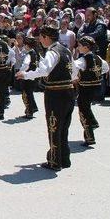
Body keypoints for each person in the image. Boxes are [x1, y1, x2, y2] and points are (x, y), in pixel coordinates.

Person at [17, 26, 76, 171]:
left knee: (54, 126)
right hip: (68, 91)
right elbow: (74, 71)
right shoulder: (66, 50)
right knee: (64, 127)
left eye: (41, 38)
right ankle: (64, 159)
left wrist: (25, 75)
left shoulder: (52, 51)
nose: (40, 41)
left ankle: (55, 161)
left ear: (46, 37)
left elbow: (44, 70)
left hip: (55, 93)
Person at [73, 36, 108, 147]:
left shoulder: (83, 60)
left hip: (85, 88)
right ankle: (93, 123)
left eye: (80, 46)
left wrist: (75, 77)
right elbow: (106, 68)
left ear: (86, 47)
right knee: (86, 107)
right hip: (95, 87)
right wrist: (95, 76)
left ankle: (89, 136)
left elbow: (73, 67)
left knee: (83, 110)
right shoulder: (98, 58)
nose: (78, 48)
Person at [19, 37, 40, 119]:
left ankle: (29, 111)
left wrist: (20, 72)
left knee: (26, 94)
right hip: (34, 75)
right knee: (30, 93)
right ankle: (33, 108)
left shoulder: (29, 54)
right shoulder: (36, 53)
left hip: (27, 76)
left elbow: (25, 65)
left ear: (27, 45)